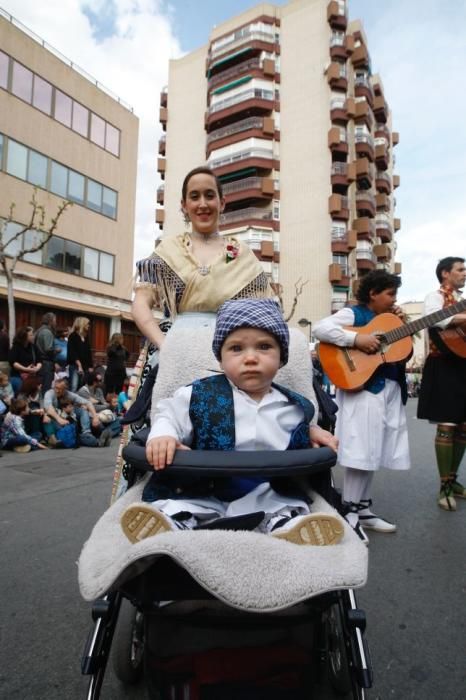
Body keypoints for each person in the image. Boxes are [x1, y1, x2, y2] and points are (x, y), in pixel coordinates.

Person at [121, 298, 342, 547]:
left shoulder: (296, 407)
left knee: (289, 508)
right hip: (203, 487)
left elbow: (299, 431)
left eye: (264, 347)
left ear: (282, 357)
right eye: (236, 349)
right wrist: (164, 435)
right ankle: (168, 526)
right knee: (177, 506)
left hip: (268, 490)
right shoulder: (198, 395)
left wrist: (312, 430)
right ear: (220, 359)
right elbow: (168, 414)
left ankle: (290, 529)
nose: (250, 358)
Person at [313, 270, 411, 544]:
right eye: (390, 293)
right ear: (373, 293)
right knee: (360, 449)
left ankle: (362, 508)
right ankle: (349, 512)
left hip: (389, 389)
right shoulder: (354, 315)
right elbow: (321, 328)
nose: (394, 300)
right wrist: (357, 340)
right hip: (364, 389)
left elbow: (400, 352)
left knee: (374, 449)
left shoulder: (391, 320)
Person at [417, 256, 466, 511]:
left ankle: (454, 480)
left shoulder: (460, 300)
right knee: (447, 425)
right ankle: (444, 486)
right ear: (445, 274)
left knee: (464, 427)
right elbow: (435, 319)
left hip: (464, 365)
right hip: (444, 364)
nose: (464, 273)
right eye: (460, 269)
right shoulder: (434, 297)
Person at [43, 378, 111, 448]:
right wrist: (59, 419)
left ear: (65, 389)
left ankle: (86, 432)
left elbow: (87, 402)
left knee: (83, 411)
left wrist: (95, 417)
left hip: (69, 421)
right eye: (55, 387)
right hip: (58, 422)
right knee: (49, 417)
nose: (57, 390)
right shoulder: (50, 393)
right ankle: (97, 441)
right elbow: (48, 407)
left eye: (60, 389)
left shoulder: (68, 394)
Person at [8, 326, 42, 396]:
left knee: (34, 394)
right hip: (18, 376)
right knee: (21, 394)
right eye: (31, 335)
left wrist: (37, 368)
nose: (33, 336)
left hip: (31, 376)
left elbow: (40, 360)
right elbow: (13, 362)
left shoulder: (33, 347)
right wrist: (26, 369)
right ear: (24, 336)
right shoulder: (16, 347)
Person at [67, 317, 93, 392]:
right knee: (74, 386)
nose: (89, 325)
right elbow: (72, 352)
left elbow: (88, 352)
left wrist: (90, 366)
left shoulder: (86, 337)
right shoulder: (73, 336)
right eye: (87, 324)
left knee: (81, 387)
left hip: (85, 366)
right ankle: (71, 403)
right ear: (82, 324)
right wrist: (79, 365)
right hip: (75, 366)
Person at [34, 312, 57, 393]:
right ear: (50, 321)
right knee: (46, 387)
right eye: (55, 320)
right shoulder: (47, 332)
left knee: (41, 385)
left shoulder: (39, 330)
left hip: (40, 362)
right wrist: (56, 351)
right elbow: (48, 349)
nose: (55, 323)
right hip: (46, 363)